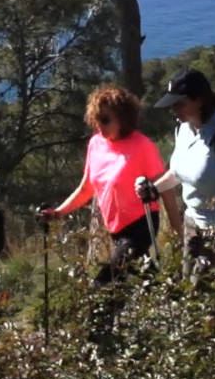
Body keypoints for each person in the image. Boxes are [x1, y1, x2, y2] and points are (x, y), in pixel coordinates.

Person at [38, 85, 177, 287]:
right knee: (144, 278)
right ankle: (172, 301)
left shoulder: (142, 146)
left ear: (123, 118)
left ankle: (100, 317)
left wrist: (176, 230)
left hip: (141, 225)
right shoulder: (96, 144)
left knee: (104, 283)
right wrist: (57, 213)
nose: (99, 126)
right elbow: (86, 188)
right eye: (96, 120)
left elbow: (166, 187)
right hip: (116, 229)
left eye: (105, 120)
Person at [140, 69, 215, 279]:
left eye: (179, 103)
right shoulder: (183, 128)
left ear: (199, 100)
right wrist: (153, 189)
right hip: (192, 224)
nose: (173, 110)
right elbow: (178, 172)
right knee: (191, 291)